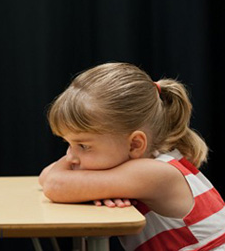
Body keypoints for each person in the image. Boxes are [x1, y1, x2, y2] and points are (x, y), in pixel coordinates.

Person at [39, 62, 225, 250]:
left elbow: (54, 184)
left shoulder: (153, 171)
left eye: (83, 145)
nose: (71, 157)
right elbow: (46, 177)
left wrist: (85, 187)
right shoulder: (143, 163)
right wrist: (93, 188)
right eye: (68, 143)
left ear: (135, 144)